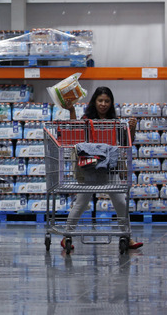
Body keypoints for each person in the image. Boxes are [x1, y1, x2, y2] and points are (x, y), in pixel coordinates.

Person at [61, 86, 143, 250]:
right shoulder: (86, 119)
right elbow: (75, 132)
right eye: (100, 100)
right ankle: (67, 236)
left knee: (120, 202)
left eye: (107, 101)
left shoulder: (116, 122)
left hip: (110, 168)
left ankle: (127, 237)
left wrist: (132, 128)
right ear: (94, 102)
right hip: (89, 167)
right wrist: (71, 110)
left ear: (111, 103)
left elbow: (126, 143)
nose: (103, 104)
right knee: (81, 204)